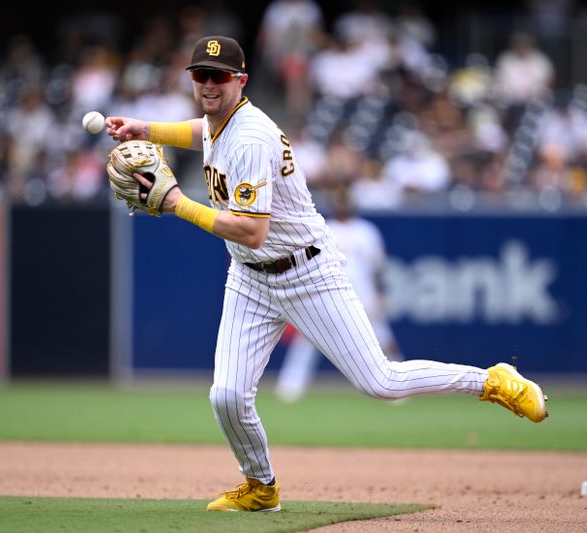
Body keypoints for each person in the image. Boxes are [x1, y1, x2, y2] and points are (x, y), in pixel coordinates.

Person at [105, 35, 548, 514]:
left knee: (381, 381)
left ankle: (489, 381)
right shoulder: (223, 121)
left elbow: (251, 231)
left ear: (241, 81)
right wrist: (145, 128)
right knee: (228, 395)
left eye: (219, 76)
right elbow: (203, 133)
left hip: (306, 271)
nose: (209, 85)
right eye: (200, 76)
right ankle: (260, 486)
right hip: (250, 278)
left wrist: (176, 203)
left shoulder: (251, 137)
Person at [275, 186, 402, 403]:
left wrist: (381, 294)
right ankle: (291, 385)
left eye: (346, 203)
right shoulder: (325, 227)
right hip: (328, 287)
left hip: (363, 289)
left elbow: (378, 267)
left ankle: (398, 384)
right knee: (308, 336)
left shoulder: (366, 230)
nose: (342, 207)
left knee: (380, 335)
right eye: (339, 203)